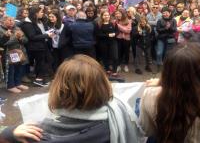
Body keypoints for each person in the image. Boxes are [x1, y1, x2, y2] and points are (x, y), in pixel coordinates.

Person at [1, 55, 144, 143]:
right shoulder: (118, 114)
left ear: (59, 88)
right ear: (103, 84)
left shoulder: (36, 134)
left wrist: (10, 133)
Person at [21, 6, 54, 87]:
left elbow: (39, 33)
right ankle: (39, 79)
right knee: (41, 62)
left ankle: (40, 79)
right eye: (41, 12)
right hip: (36, 47)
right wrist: (46, 35)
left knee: (47, 60)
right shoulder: (27, 23)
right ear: (36, 13)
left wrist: (47, 33)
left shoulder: (36, 21)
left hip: (42, 45)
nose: (43, 13)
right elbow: (32, 37)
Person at [0, 17, 29, 93]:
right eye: (9, 20)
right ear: (3, 21)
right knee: (10, 70)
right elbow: (3, 44)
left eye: (13, 20)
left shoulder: (17, 28)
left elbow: (26, 40)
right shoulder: (1, 30)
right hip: (8, 53)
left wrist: (20, 38)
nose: (12, 22)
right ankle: (10, 86)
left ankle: (18, 83)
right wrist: (13, 37)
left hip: (19, 52)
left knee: (19, 69)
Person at [95, 11, 118, 77]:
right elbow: (98, 34)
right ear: (102, 16)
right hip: (103, 43)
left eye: (108, 15)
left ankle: (114, 70)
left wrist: (115, 34)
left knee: (115, 56)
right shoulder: (99, 24)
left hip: (113, 42)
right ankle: (107, 69)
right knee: (105, 56)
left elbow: (117, 31)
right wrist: (108, 35)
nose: (107, 16)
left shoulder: (113, 23)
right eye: (105, 15)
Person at [156, 7, 177, 72]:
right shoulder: (159, 20)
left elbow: (174, 30)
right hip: (161, 38)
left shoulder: (173, 20)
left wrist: (169, 27)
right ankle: (159, 64)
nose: (165, 14)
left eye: (166, 13)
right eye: (163, 13)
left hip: (170, 39)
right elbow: (158, 30)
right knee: (159, 53)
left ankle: (167, 66)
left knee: (168, 54)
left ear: (170, 13)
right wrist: (165, 28)